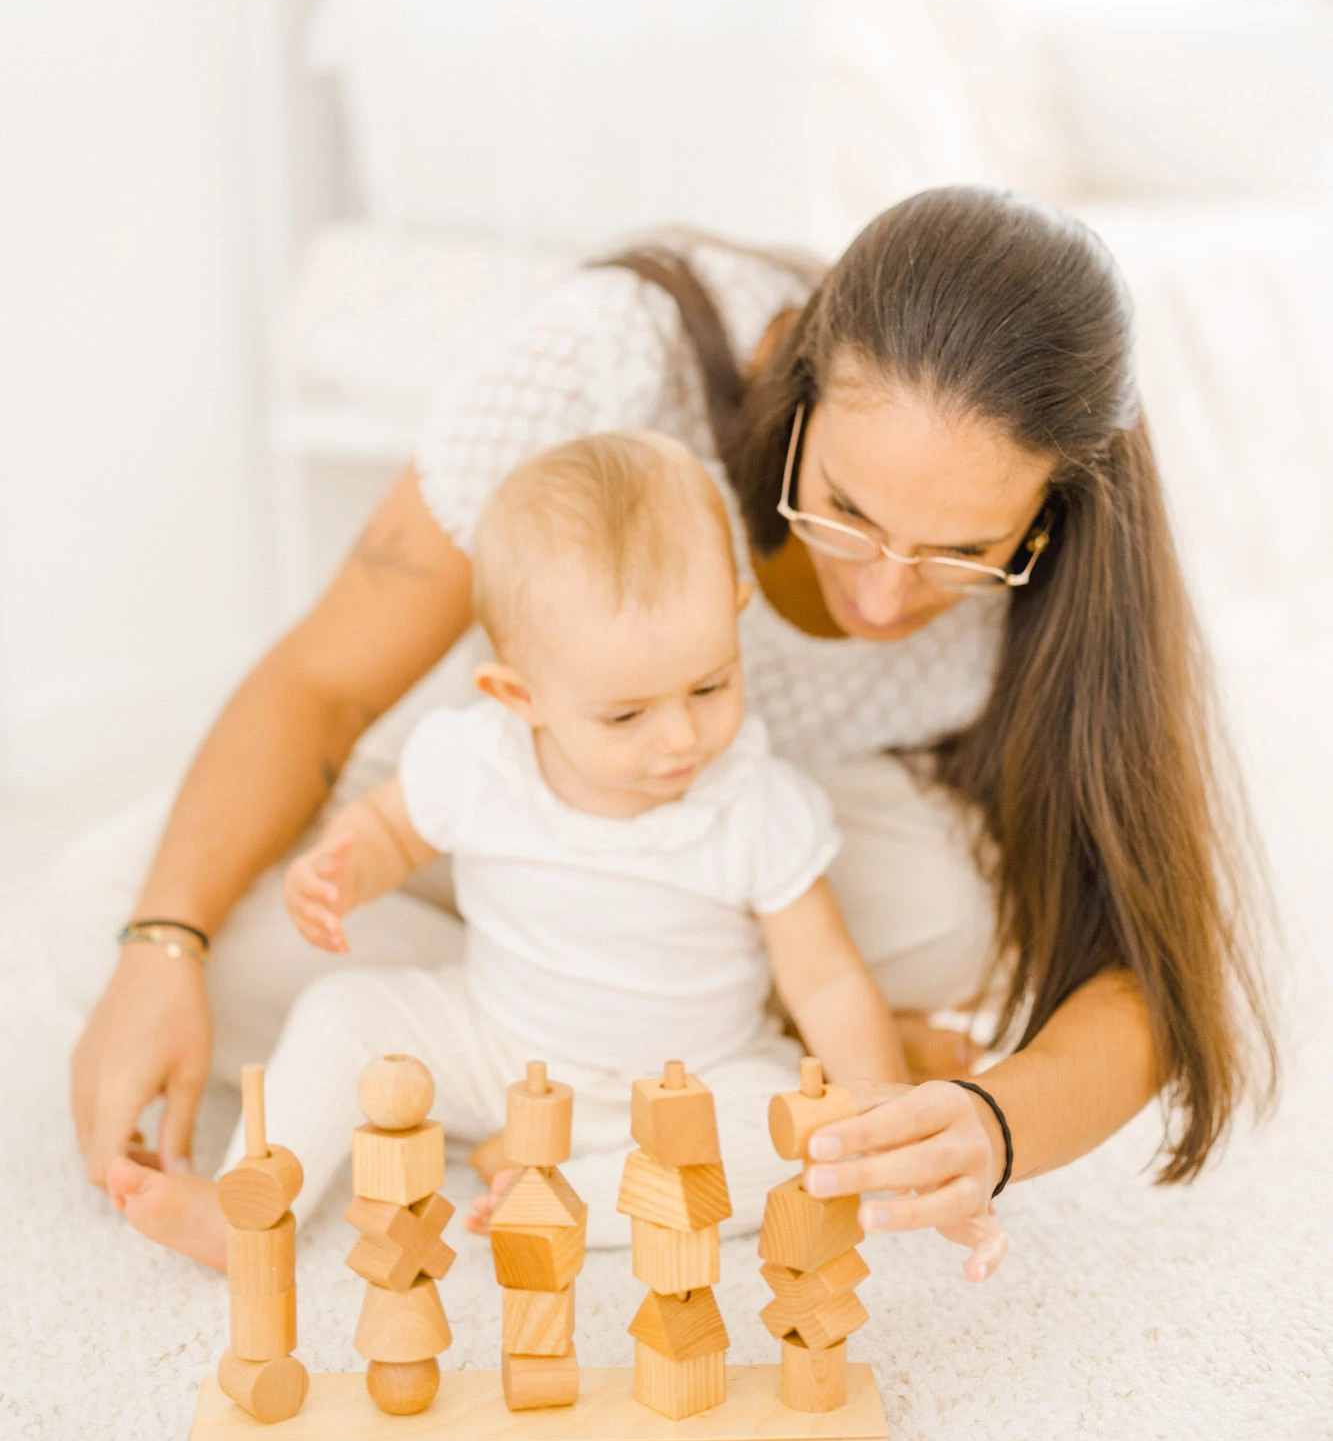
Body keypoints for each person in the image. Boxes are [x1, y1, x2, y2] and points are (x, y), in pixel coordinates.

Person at [62, 186, 1274, 1264]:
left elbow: (1151, 972)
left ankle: (615, 1122)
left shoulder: (1072, 561)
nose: (881, 592)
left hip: (764, 868)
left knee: (954, 914)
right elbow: (322, 683)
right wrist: (164, 940)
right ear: (788, 378)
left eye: (962, 553)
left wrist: (988, 1125)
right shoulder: (607, 359)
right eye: (845, 509)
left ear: (1050, 513)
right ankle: (543, 1095)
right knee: (103, 911)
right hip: (513, 805)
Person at [107, 431, 976, 1264]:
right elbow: (389, 828)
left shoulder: (756, 803)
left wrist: (871, 1114)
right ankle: (253, 1210)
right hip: (494, 1050)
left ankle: (570, 1197)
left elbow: (824, 979)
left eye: (710, 685)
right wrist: (341, 866)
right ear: (517, 695)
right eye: (626, 714)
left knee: (800, 1138)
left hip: (692, 1084)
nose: (680, 738)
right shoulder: (475, 758)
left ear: (734, 618)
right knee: (342, 1018)